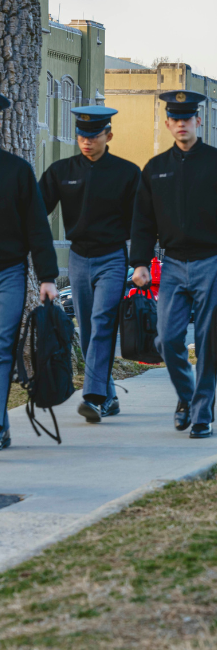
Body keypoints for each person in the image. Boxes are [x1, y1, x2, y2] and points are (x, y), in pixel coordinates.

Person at [130, 90, 217, 439]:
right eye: (175, 119)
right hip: (172, 265)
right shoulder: (156, 169)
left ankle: (201, 415)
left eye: (188, 118)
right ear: (168, 124)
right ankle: (188, 395)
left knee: (207, 341)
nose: (182, 124)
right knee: (167, 340)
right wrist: (139, 263)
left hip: (210, 263)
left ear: (198, 121)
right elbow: (142, 221)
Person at [39, 105, 141, 423]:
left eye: (93, 135)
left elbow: (141, 222)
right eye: (81, 135)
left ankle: (92, 397)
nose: (86, 141)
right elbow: (34, 211)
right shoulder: (61, 171)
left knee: (102, 323)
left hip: (112, 258)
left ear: (108, 135)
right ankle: (108, 397)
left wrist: (139, 262)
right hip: (78, 258)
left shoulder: (127, 173)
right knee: (87, 331)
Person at [0, 93, 60, 451]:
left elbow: (38, 228)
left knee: (2, 347)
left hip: (8, 272)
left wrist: (48, 278)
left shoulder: (17, 171)